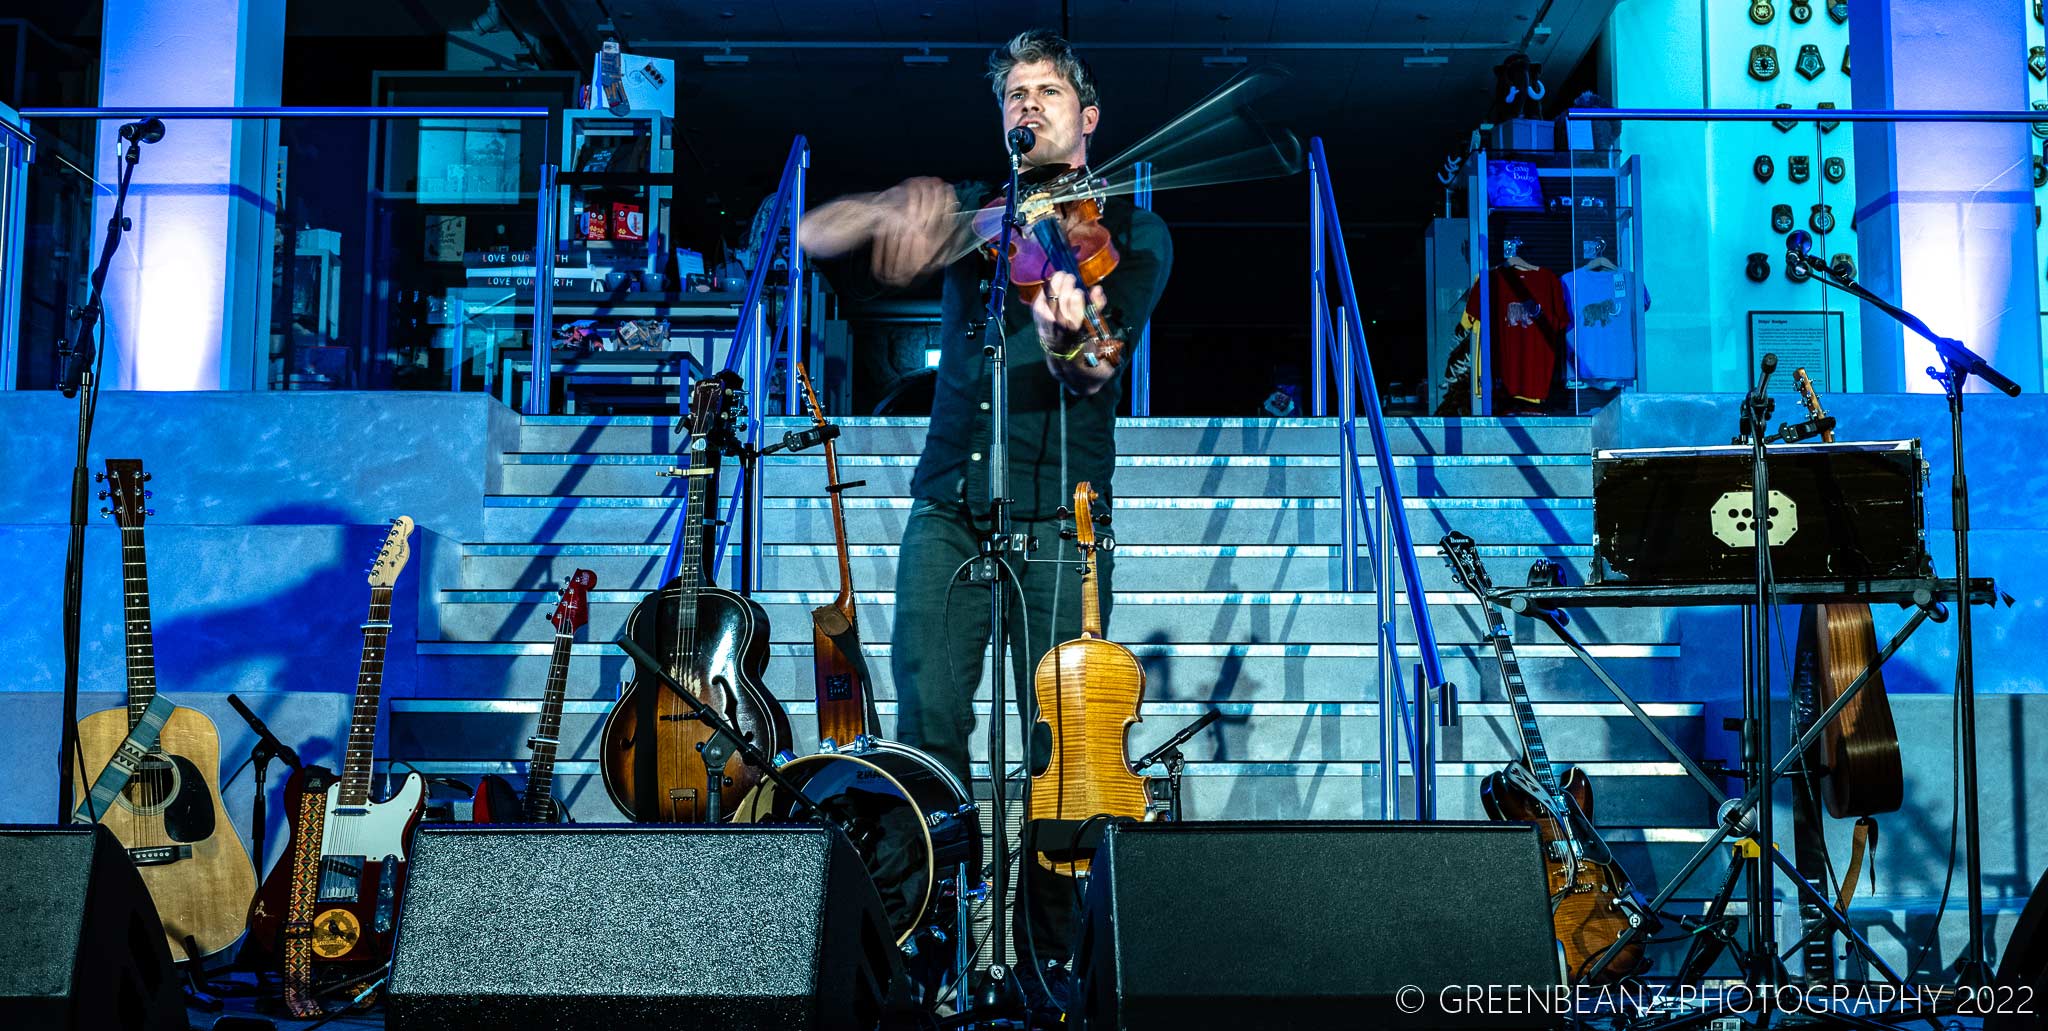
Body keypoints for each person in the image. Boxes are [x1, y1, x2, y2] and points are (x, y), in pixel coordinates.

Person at [800, 28, 1172, 1002]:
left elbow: (1095, 365)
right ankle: (932, 949)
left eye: (1046, 91)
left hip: (1061, 523)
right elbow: (815, 233)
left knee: (1061, 751)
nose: (1027, 106)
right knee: (925, 732)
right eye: (1013, 92)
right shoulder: (980, 217)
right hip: (946, 513)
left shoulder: (1126, 232)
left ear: (1085, 117)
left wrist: (1065, 320)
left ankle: (1050, 967)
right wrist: (893, 207)